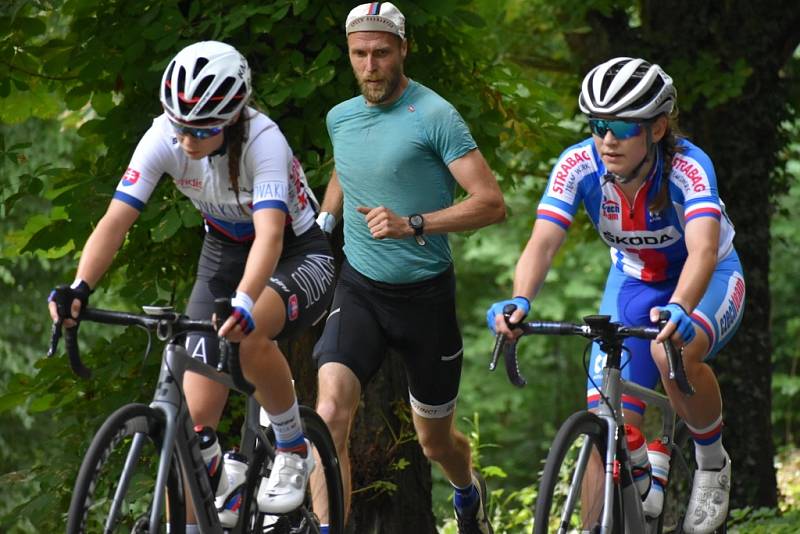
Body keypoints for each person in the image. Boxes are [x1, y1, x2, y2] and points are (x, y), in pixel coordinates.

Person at [47, 41, 336, 530]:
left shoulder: (264, 140)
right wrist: (79, 288)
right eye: (180, 127)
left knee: (247, 336)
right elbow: (116, 221)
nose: (187, 142)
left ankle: (292, 445)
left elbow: (269, 236)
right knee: (194, 434)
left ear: (233, 118)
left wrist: (245, 302)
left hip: (297, 252)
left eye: (202, 130)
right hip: (222, 255)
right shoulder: (163, 135)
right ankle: (220, 481)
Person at [488, 57, 745, 534]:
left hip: (707, 278)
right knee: (604, 421)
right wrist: (520, 299)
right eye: (598, 124)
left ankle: (711, 463)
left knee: (671, 353)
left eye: (623, 126)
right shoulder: (578, 164)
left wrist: (681, 307)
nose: (607, 139)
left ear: (657, 127)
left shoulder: (687, 165)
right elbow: (543, 242)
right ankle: (614, 503)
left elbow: (705, 249)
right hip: (632, 283)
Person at [308, 3, 505, 533]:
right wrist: (325, 221)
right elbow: (350, 169)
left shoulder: (435, 115)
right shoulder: (341, 117)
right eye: (359, 54)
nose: (370, 65)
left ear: (402, 51)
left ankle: (467, 492)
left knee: (434, 442)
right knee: (328, 417)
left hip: (424, 299)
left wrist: (413, 223)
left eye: (381, 53)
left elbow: (490, 203)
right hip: (360, 291)